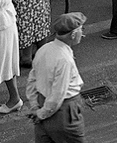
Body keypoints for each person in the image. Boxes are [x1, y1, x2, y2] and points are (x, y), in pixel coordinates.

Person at [26, 11, 87, 143]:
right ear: (73, 34)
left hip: (43, 104)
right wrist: (41, 114)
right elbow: (58, 95)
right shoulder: (65, 60)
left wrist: (35, 107)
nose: (82, 34)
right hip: (63, 113)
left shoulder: (44, 49)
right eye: (81, 30)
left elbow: (32, 80)